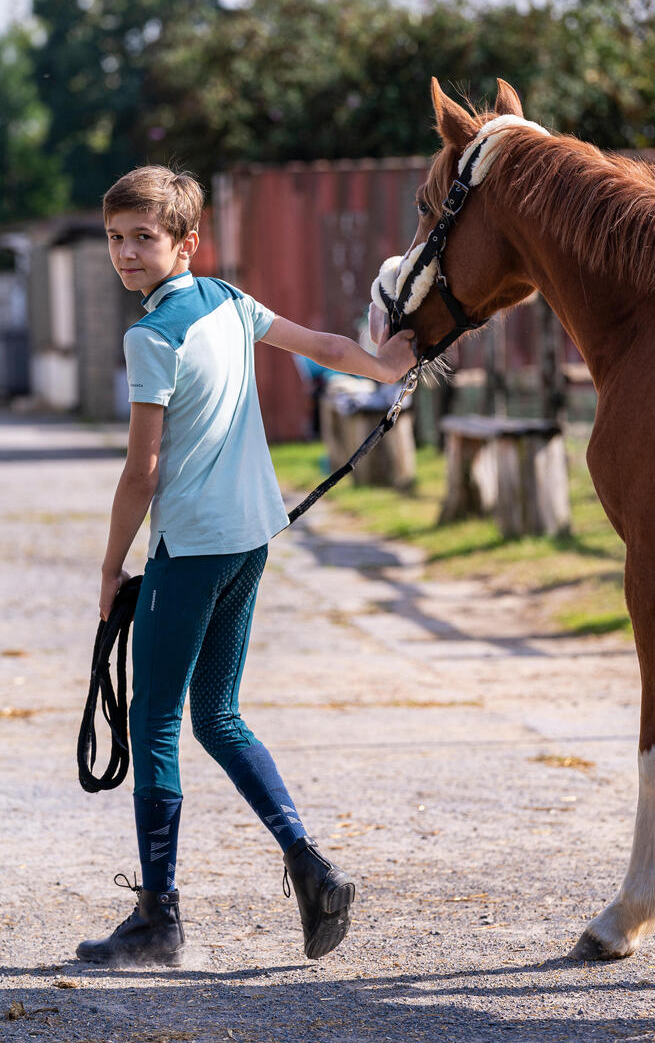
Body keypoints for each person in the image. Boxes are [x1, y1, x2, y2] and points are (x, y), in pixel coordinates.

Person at [75, 166, 414, 967]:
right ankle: (312, 867)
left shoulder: (150, 335)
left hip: (189, 548)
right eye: (115, 239)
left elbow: (141, 471)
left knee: (156, 719)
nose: (126, 253)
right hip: (250, 540)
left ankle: (159, 921)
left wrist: (111, 567)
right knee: (217, 713)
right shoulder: (228, 300)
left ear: (184, 243)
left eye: (142, 238)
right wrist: (386, 365)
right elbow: (329, 347)